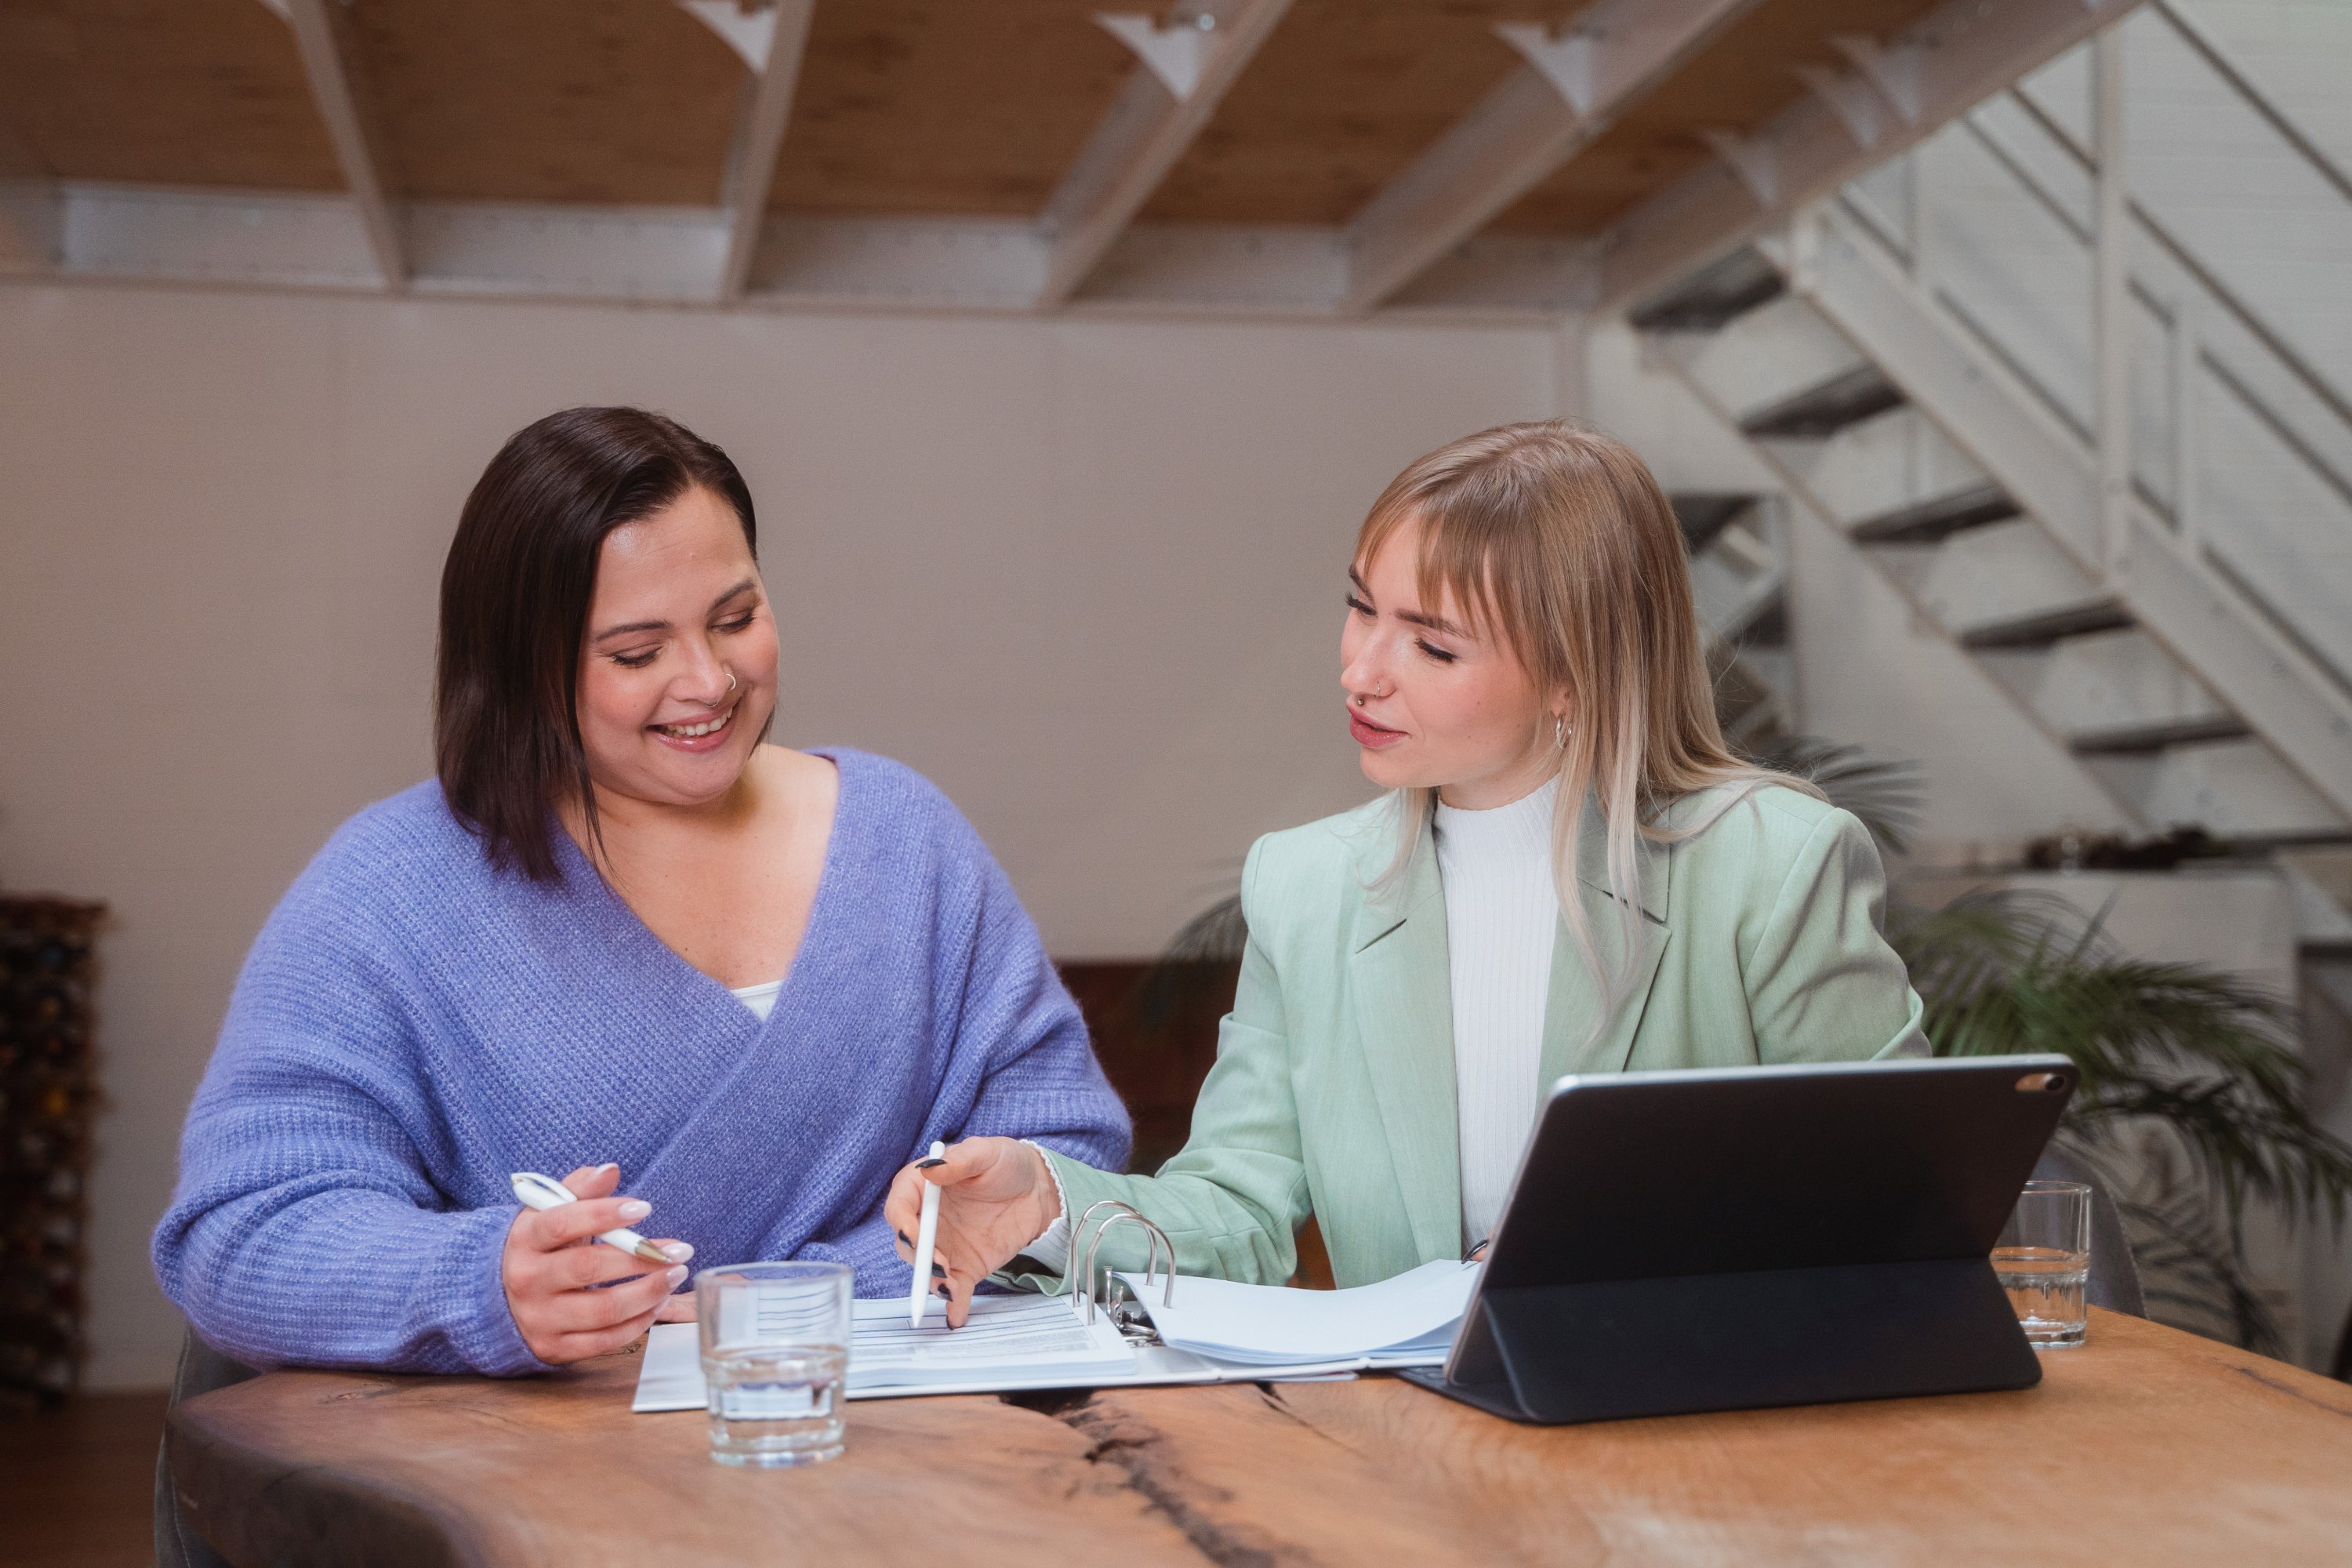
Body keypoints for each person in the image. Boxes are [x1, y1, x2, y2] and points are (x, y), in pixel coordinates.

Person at [152, 407, 1127, 1374]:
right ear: (522, 670)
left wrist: (794, 1305)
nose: (707, 681)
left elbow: (1061, 1145)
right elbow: (245, 1230)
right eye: (635, 652)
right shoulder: (388, 892)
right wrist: (482, 1283)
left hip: (882, 1451)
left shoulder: (906, 841)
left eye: (736, 618)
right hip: (530, 1490)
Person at [887, 420, 1928, 1320]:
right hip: (1421, 1451)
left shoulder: (1770, 865)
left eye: (1432, 645)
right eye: (1361, 607)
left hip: (1702, 1432)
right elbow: (1242, 1208)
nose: (1361, 669)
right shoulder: (1307, 887)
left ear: (1574, 676)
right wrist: (1050, 1204)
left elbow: (1897, 1197)